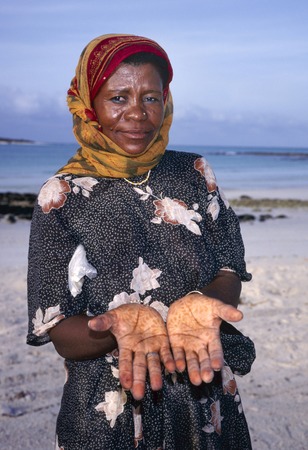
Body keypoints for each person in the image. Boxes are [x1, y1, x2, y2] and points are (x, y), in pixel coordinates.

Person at [27, 34, 255, 449]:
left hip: (204, 390)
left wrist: (202, 302)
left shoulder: (195, 173)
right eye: (118, 98)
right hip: (110, 407)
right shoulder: (60, 196)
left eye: (151, 98)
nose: (137, 114)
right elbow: (57, 328)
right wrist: (118, 326)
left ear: (166, 101)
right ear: (88, 104)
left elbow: (229, 267)